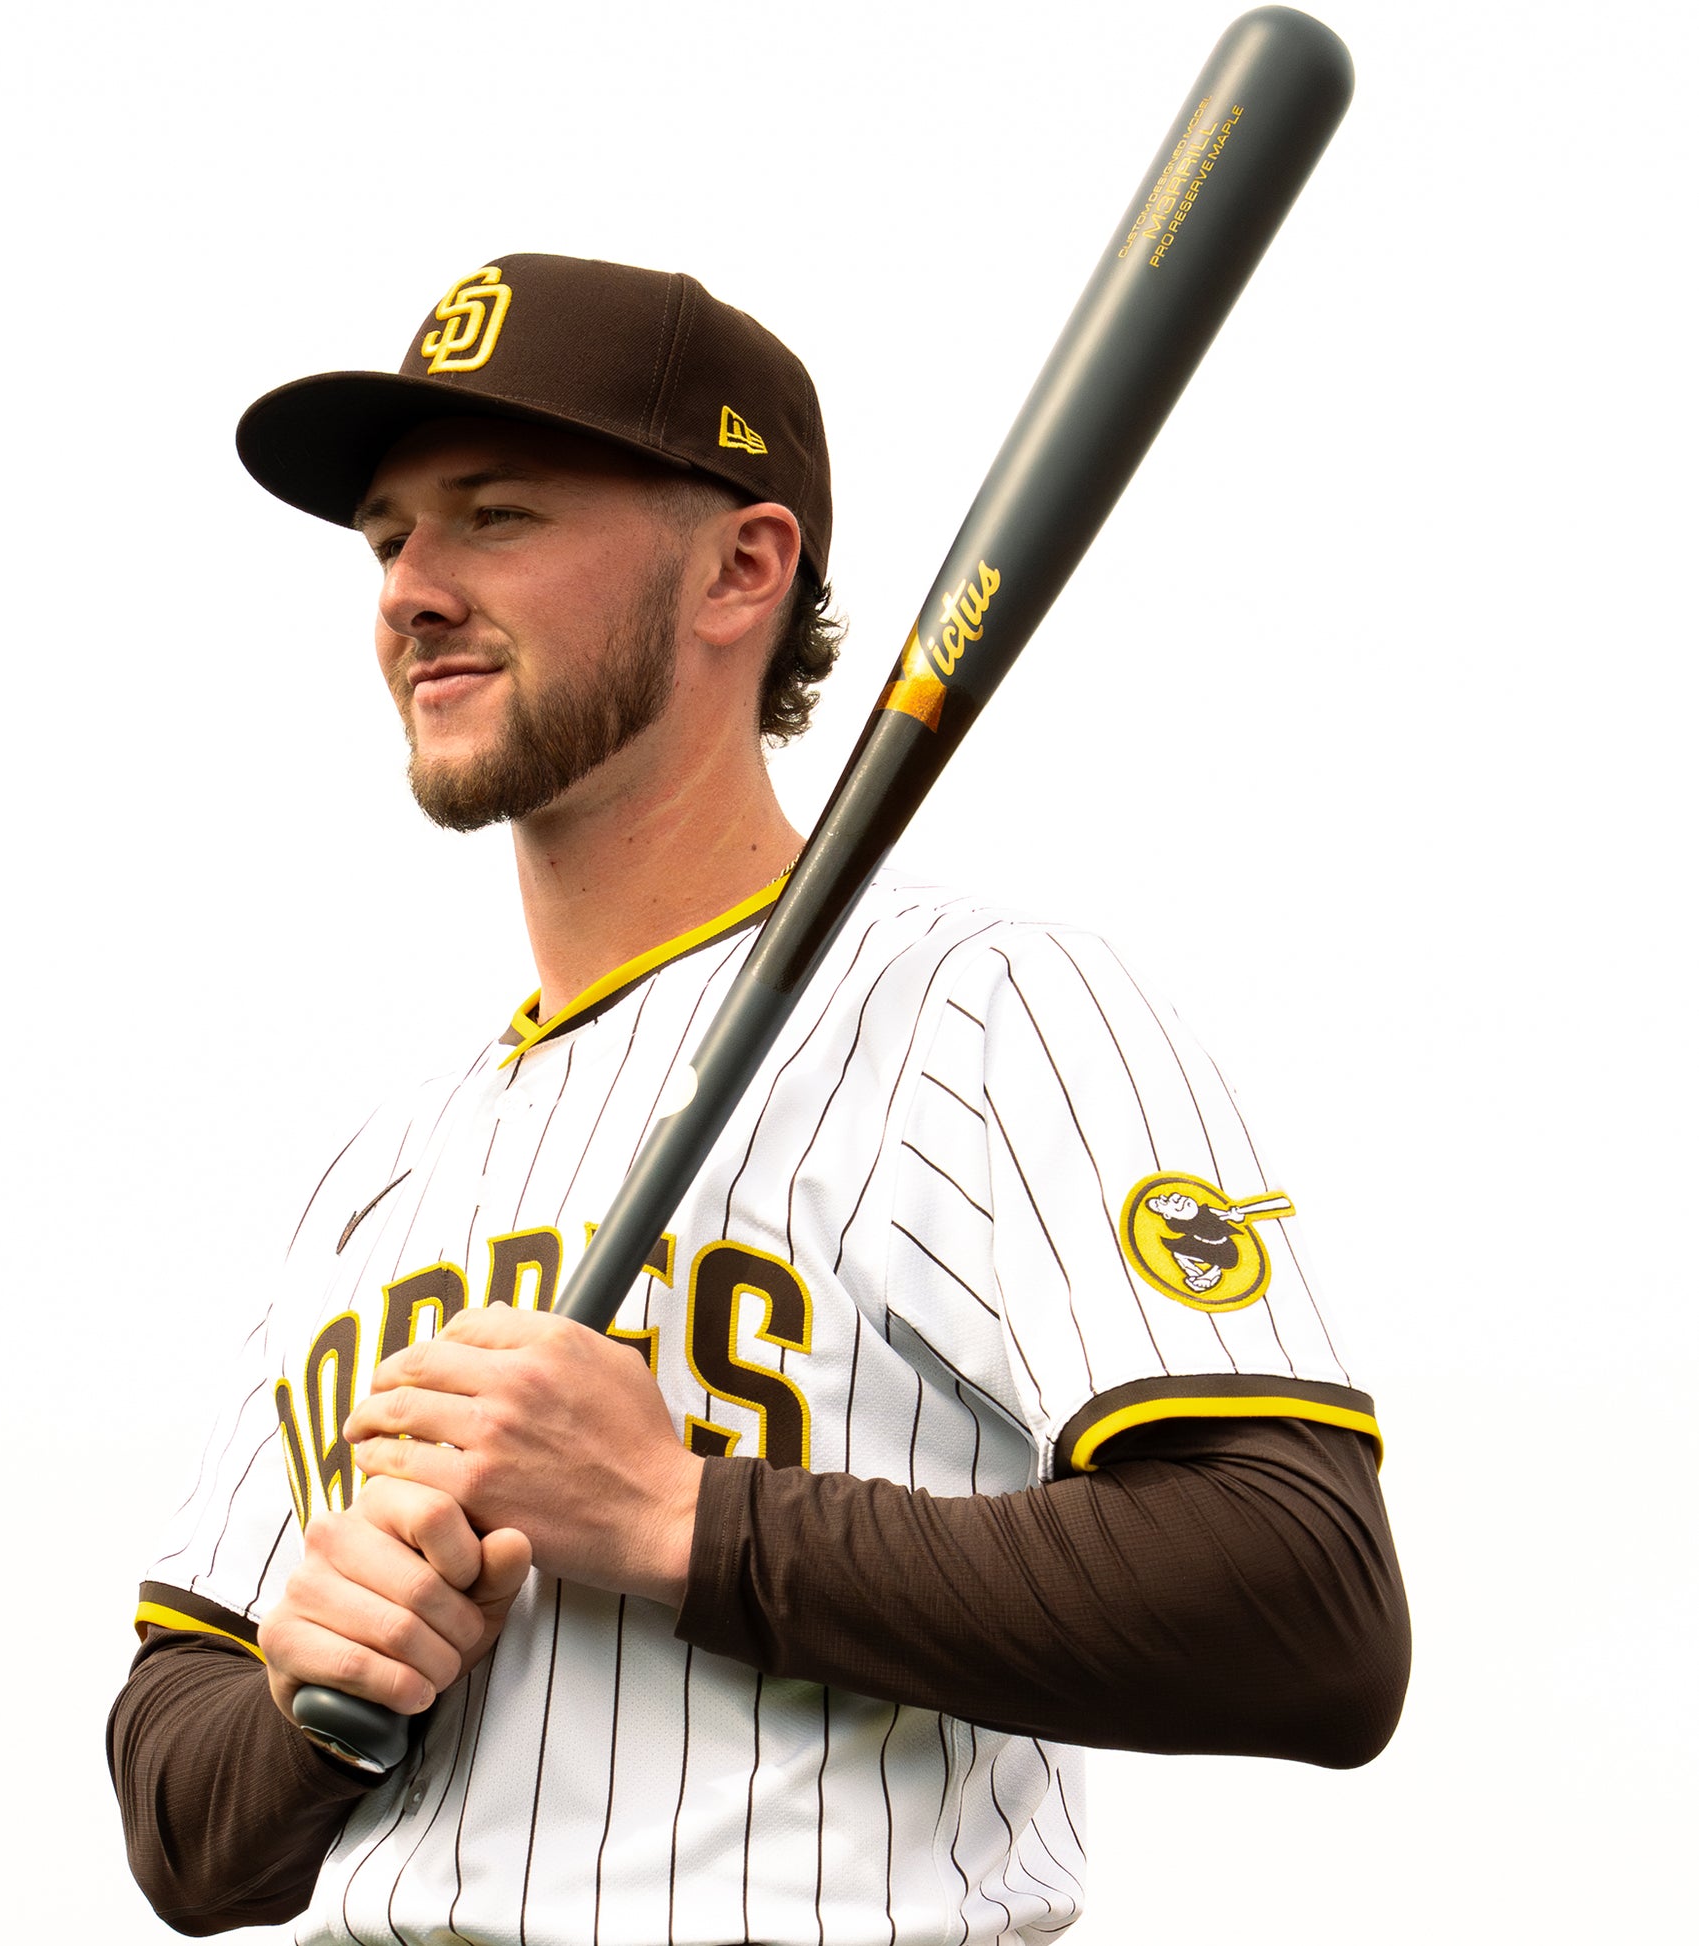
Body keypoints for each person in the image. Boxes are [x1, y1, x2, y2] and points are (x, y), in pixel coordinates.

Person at [108, 252, 1408, 1944]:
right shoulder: (382, 1165)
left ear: (741, 566)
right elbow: (182, 1829)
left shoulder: (985, 1004)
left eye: (493, 516)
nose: (409, 588)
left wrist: (681, 1516)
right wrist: (311, 1694)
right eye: (384, 536)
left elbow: (1306, 1600)